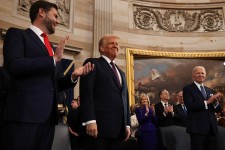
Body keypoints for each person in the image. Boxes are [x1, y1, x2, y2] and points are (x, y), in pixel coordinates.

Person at [0, 1, 94, 150]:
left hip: (48, 120)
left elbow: (54, 83)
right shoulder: (17, 34)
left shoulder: (49, 46)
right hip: (24, 117)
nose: (58, 21)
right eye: (55, 16)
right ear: (41, 12)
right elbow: (13, 65)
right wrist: (53, 60)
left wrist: (74, 76)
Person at [79, 34, 131, 150]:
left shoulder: (121, 73)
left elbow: (125, 99)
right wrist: (90, 120)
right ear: (102, 48)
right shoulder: (93, 63)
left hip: (119, 130)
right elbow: (86, 93)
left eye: (117, 44)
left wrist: (127, 124)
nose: (116, 46)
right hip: (98, 129)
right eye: (112, 43)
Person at [183, 66, 222, 150]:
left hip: (212, 128)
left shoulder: (209, 90)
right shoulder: (188, 89)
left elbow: (218, 109)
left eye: (202, 73)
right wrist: (207, 102)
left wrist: (216, 102)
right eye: (198, 73)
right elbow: (190, 106)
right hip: (197, 129)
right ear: (193, 75)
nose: (200, 75)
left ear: (205, 75)